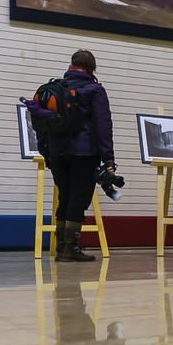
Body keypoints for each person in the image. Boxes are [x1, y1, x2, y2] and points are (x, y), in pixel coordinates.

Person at [35, 49, 115, 262]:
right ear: (92, 69)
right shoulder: (94, 90)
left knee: (64, 198)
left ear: (72, 65)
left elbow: (42, 124)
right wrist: (108, 158)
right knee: (78, 200)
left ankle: (62, 249)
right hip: (84, 153)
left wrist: (46, 151)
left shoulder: (56, 88)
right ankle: (71, 249)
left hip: (57, 154)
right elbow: (102, 126)